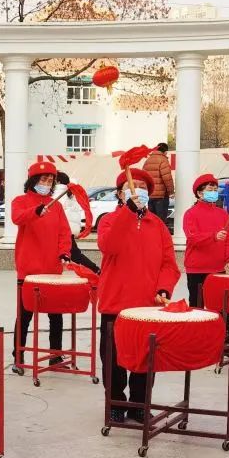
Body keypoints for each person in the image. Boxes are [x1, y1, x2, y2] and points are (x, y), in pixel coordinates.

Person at [98, 169, 180, 422]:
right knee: (113, 359)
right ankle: (115, 403)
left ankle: (139, 404)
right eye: (132, 187)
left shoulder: (158, 226)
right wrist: (128, 213)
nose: (138, 191)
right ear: (120, 194)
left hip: (148, 306)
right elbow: (108, 246)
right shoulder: (109, 220)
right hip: (116, 304)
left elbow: (169, 264)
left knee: (146, 358)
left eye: (143, 187)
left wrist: (164, 288)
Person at [11, 161, 72, 371]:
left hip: (52, 270)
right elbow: (17, 218)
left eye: (50, 180)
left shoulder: (57, 206)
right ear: (33, 180)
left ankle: (55, 355)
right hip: (28, 270)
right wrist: (36, 211)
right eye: (43, 179)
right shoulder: (20, 201)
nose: (46, 183)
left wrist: (64, 252)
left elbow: (64, 232)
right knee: (24, 316)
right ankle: (18, 357)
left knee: (56, 315)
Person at [183, 174, 229, 306]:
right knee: (197, 308)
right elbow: (193, 238)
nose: (213, 193)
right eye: (210, 190)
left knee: (221, 307)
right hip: (197, 269)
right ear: (199, 193)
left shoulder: (222, 214)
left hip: (218, 268)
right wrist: (213, 236)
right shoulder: (190, 214)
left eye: (215, 190)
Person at [54, 171, 99, 274]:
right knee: (75, 254)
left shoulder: (57, 193)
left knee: (74, 255)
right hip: (70, 229)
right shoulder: (69, 192)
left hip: (61, 230)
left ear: (58, 182)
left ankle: (95, 270)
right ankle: (95, 269)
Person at [142, 142, 175, 229]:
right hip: (161, 196)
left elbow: (143, 177)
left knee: (152, 220)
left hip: (150, 195)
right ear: (165, 151)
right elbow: (167, 178)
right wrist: (171, 192)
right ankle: (161, 236)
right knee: (161, 221)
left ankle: (152, 236)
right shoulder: (163, 160)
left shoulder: (148, 161)